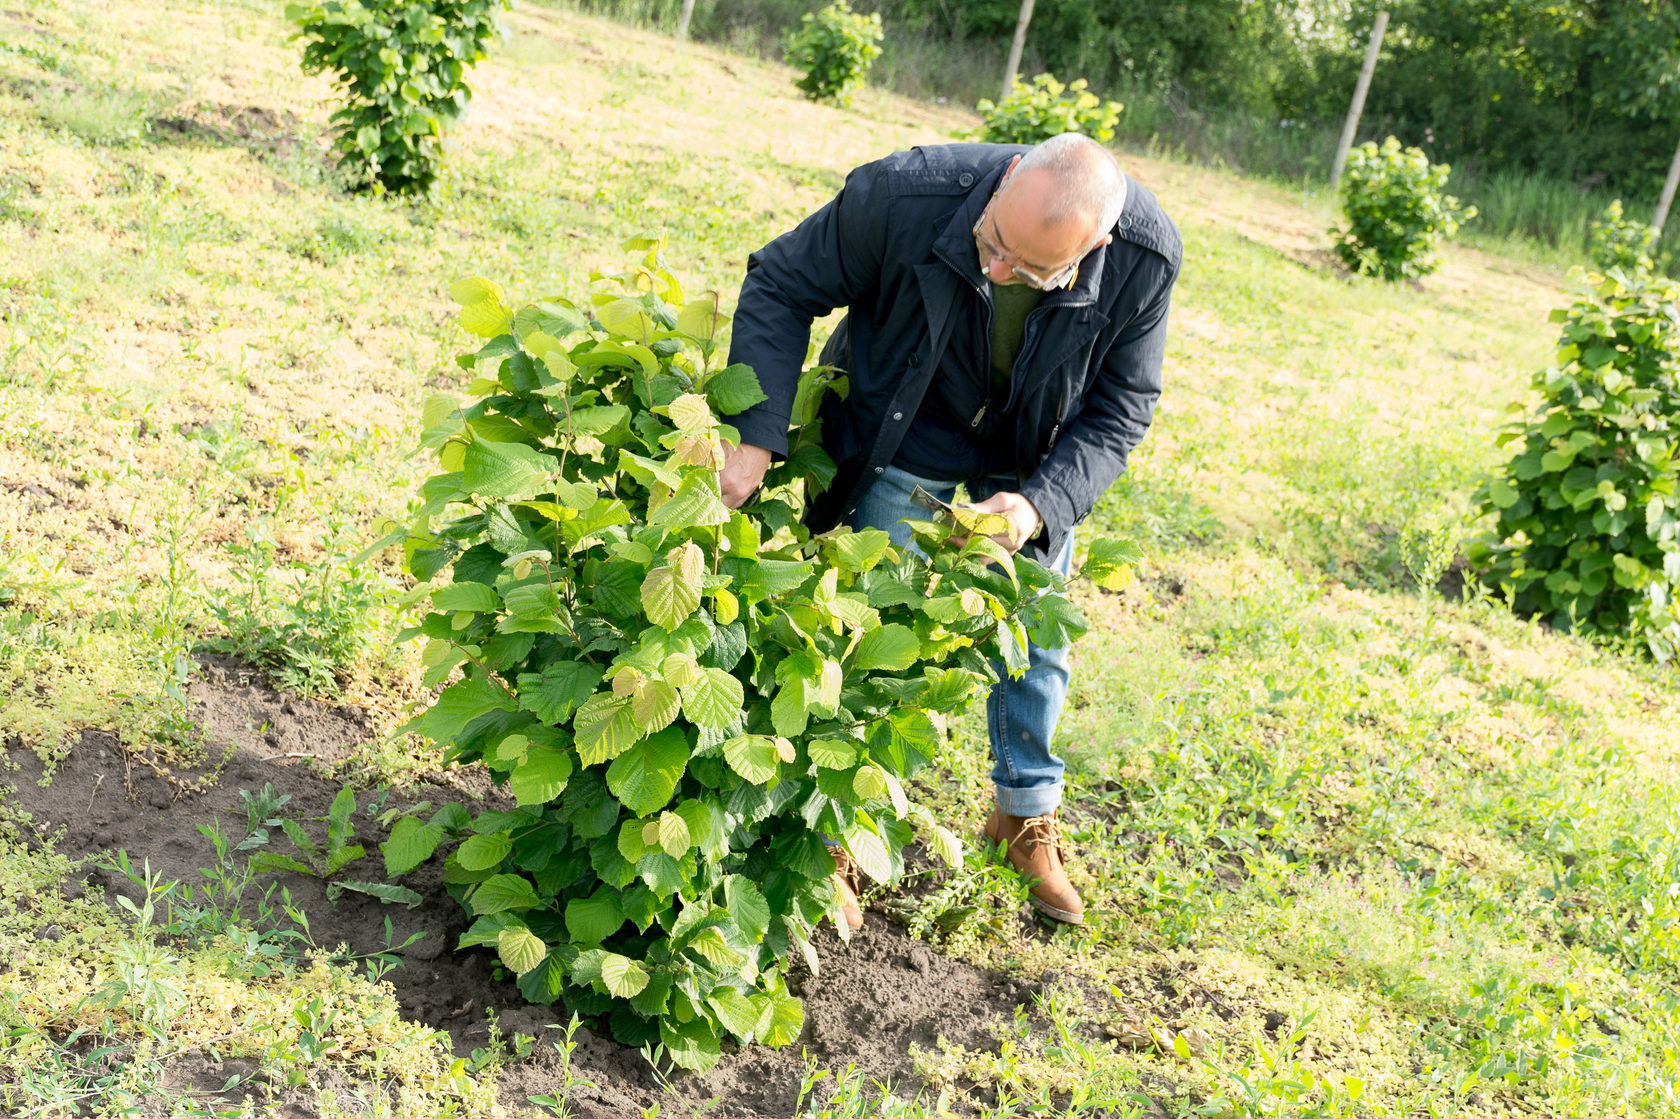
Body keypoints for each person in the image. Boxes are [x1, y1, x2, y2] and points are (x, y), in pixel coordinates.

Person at [719, 133, 1181, 928]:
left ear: (1096, 246)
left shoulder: (1143, 257)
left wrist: (1039, 505)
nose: (1000, 271)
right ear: (1004, 180)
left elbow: (1121, 408)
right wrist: (755, 433)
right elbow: (783, 282)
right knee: (868, 625)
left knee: (1035, 633)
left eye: (1034, 272)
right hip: (908, 422)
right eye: (994, 244)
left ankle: (1023, 820)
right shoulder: (904, 195)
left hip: (1032, 454)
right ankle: (841, 829)